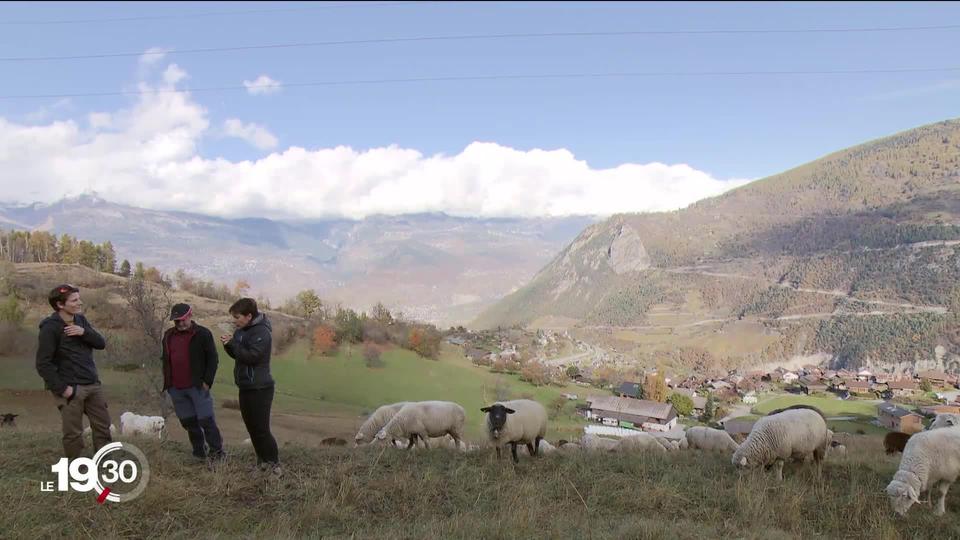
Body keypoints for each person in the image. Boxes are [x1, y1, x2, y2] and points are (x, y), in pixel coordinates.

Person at [35, 284, 111, 459]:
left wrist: (83, 332)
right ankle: (77, 469)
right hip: (70, 388)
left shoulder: (80, 320)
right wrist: (63, 389)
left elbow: (100, 343)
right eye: (75, 300)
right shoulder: (50, 328)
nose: (80, 303)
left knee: (103, 426)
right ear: (60, 305)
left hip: (92, 384)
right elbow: (43, 364)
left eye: (79, 298)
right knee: (73, 433)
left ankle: (105, 463)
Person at [221, 298, 280, 476]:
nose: (234, 320)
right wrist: (228, 345)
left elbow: (252, 356)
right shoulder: (241, 331)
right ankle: (262, 463)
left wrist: (233, 344)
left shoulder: (262, 332)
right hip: (246, 386)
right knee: (252, 428)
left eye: (237, 317)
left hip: (260, 388)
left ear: (248, 316)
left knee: (261, 429)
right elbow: (239, 355)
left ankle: (273, 465)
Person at [161, 303, 225, 462]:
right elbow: (166, 360)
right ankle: (199, 452)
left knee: (206, 420)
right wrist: (168, 384)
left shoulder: (202, 334)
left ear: (190, 316)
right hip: (176, 387)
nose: (180, 324)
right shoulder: (168, 335)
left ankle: (217, 453)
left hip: (197, 386)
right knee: (188, 422)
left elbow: (213, 359)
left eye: (182, 320)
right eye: (176, 321)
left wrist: (207, 382)